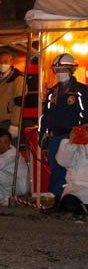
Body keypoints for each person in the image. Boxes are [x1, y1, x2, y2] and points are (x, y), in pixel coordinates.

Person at [40, 53, 87, 204]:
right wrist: (43, 134)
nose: (59, 73)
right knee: (56, 169)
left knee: (74, 171)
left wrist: (81, 136)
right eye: (57, 70)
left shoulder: (81, 91)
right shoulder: (52, 92)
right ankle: (58, 200)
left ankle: (74, 201)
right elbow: (45, 115)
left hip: (73, 138)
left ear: (71, 70)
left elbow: (86, 116)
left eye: (63, 69)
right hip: (55, 137)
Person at [0, 129, 30, 205]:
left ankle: (9, 197)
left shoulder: (12, 154)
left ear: (9, 142)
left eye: (6, 142)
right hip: (10, 181)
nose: (2, 145)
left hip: (20, 185)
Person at [53, 125, 88, 217]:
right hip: (75, 189)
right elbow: (62, 161)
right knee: (68, 202)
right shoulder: (71, 143)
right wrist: (72, 142)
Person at [0, 53, 24, 137]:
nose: (2, 64)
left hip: (8, 121)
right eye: (0, 62)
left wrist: (15, 124)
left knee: (8, 148)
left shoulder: (17, 78)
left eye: (5, 61)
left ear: (11, 62)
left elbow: (19, 102)